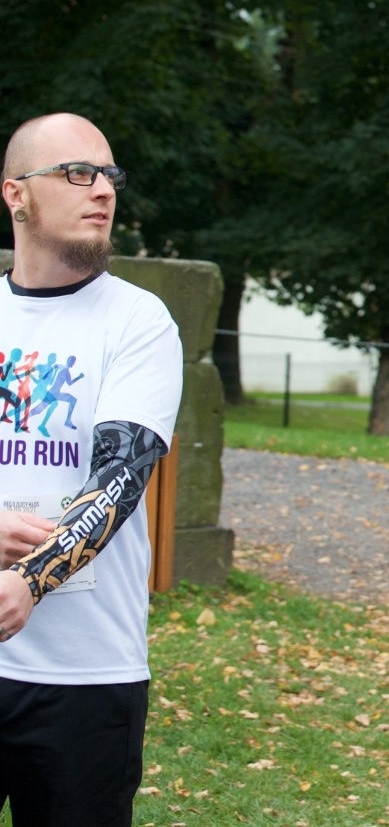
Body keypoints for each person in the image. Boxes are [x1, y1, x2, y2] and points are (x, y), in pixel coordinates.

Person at [0, 112, 183, 827]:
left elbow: (120, 476)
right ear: (16, 194)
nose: (102, 189)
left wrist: (28, 579)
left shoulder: (137, 322)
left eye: (110, 174)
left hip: (84, 676)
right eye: (78, 173)